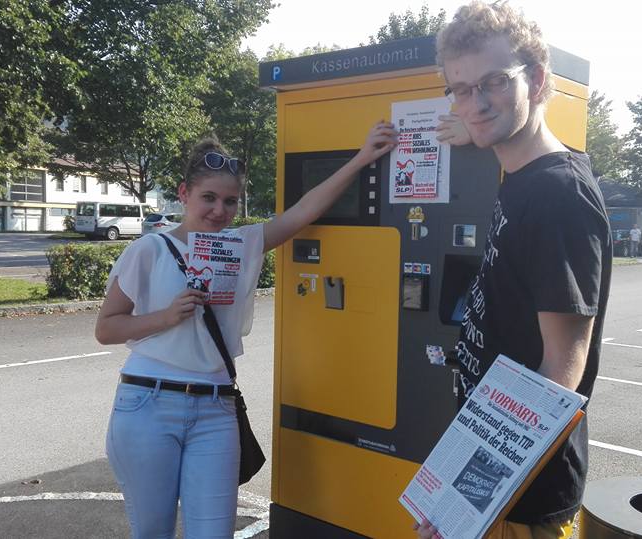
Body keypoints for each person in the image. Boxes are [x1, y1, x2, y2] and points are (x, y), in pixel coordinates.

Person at [94, 123, 395, 538]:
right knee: (152, 532)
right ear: (184, 194)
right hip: (148, 404)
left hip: (215, 409)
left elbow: (304, 212)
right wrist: (166, 316)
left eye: (230, 201)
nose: (219, 210)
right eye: (209, 197)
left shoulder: (241, 244)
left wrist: (362, 159)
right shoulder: (151, 249)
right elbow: (106, 328)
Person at [420, 3, 612, 538]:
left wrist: (471, 493)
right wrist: (475, 127)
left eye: (494, 82)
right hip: (495, 467)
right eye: (461, 89)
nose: (476, 103)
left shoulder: (559, 196)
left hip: (519, 497)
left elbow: (562, 367)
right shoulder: (524, 175)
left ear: (538, 79)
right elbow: (493, 121)